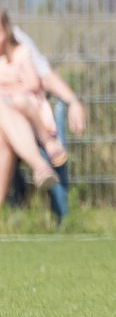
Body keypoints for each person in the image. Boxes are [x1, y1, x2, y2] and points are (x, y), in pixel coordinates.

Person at [0, 11, 71, 220]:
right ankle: (40, 166)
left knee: (3, 140)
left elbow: (37, 80)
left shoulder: (20, 52)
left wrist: (73, 101)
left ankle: (43, 155)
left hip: (23, 116)